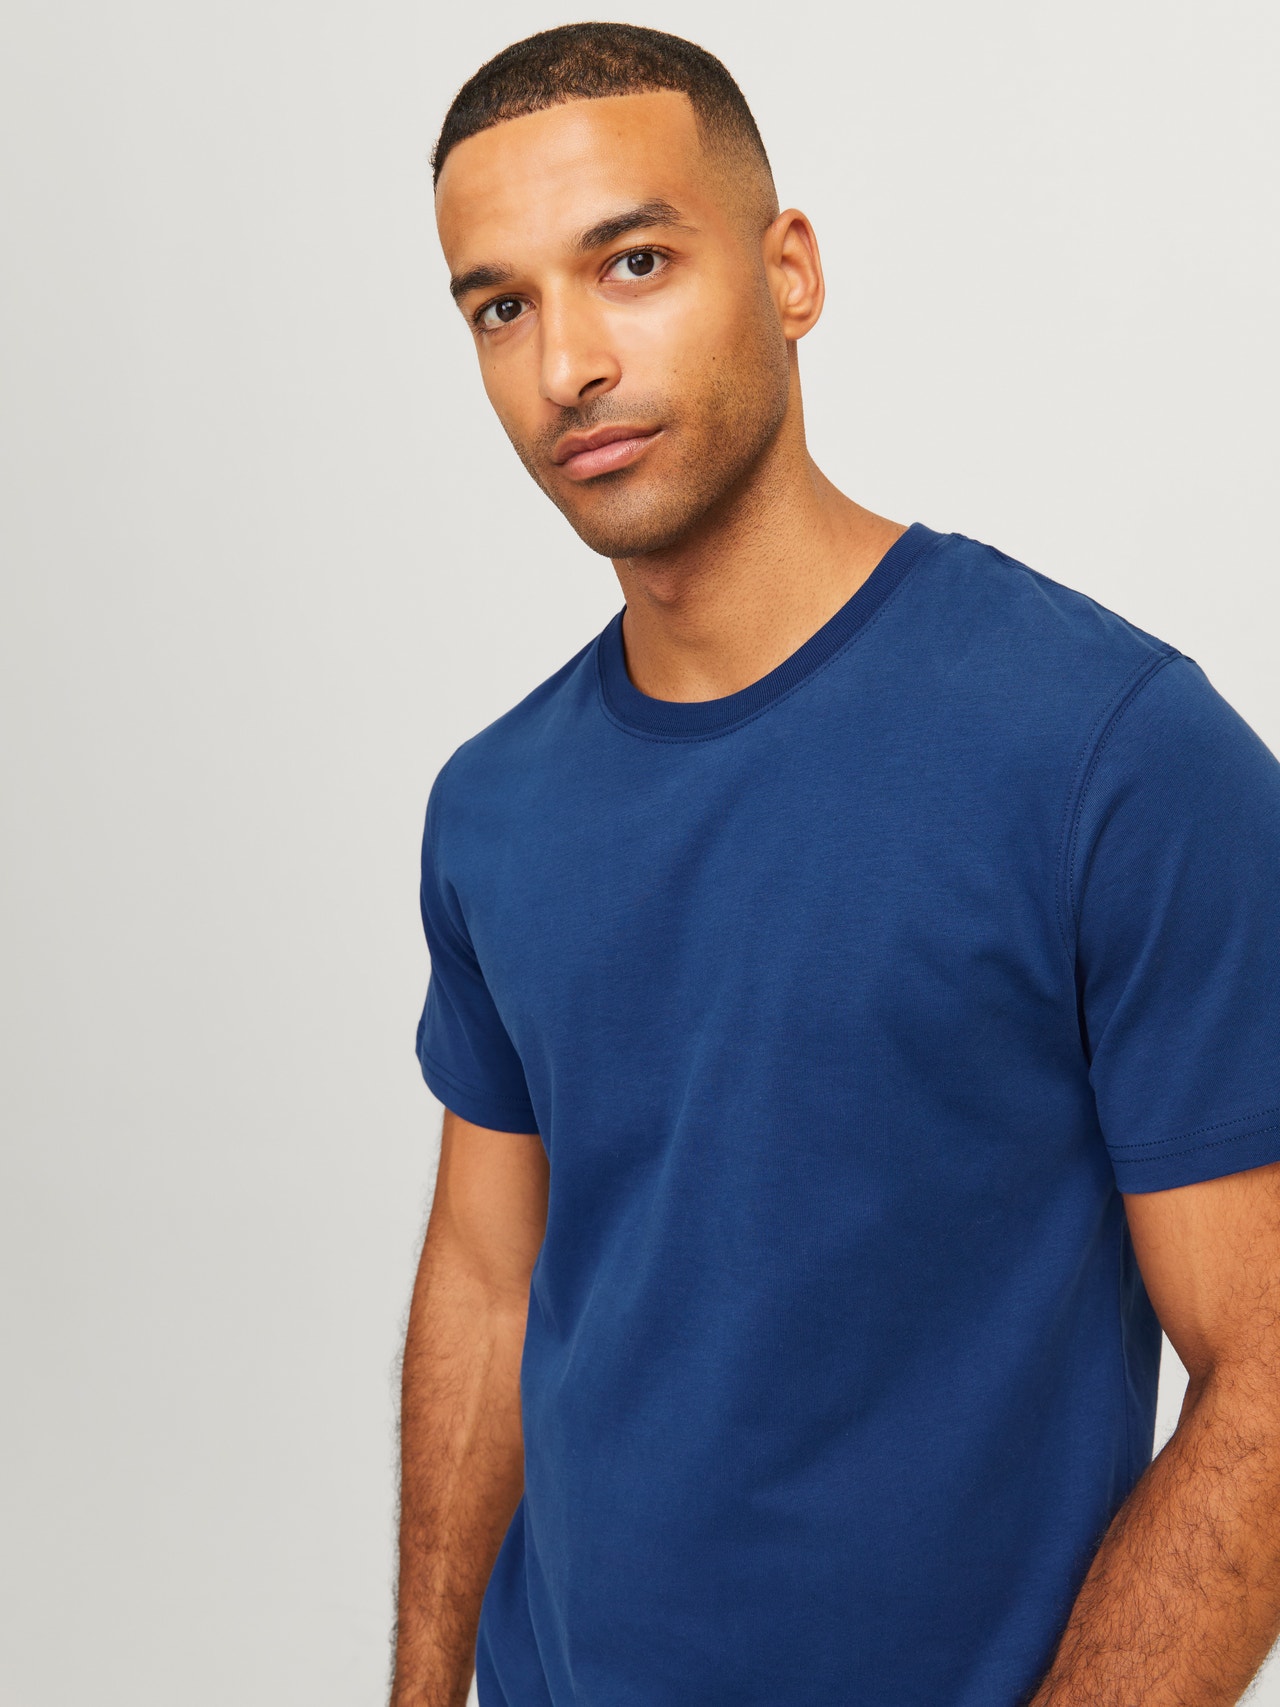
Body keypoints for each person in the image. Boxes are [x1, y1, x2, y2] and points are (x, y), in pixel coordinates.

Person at [391, 23, 1280, 1707]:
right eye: (500, 306)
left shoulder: (1111, 755)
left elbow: (1271, 1373)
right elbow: (490, 1284)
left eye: (632, 263)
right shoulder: (494, 805)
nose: (566, 362)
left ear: (788, 271)